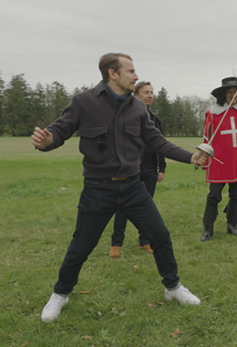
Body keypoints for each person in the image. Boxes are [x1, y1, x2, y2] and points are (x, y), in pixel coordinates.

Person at [32, 53, 208, 323]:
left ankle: (172, 288)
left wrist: (191, 157)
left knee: (160, 236)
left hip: (133, 188)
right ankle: (61, 294)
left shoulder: (138, 108)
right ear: (112, 74)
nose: (136, 77)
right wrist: (46, 142)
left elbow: (157, 142)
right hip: (97, 189)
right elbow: (58, 131)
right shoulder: (83, 102)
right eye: (131, 71)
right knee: (81, 246)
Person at [108, 80, 166, 258]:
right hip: (129, 170)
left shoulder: (155, 119)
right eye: (145, 92)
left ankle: (144, 241)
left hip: (150, 170)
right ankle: (116, 244)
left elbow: (161, 145)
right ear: (136, 95)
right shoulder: (125, 115)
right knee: (122, 207)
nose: (149, 95)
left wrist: (161, 168)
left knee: (146, 209)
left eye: (151, 92)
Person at [200, 77, 237, 242]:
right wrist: (204, 157)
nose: (233, 95)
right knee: (214, 196)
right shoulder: (213, 114)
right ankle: (208, 228)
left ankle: (232, 225)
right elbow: (207, 138)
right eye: (230, 93)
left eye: (236, 92)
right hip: (219, 162)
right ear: (223, 95)